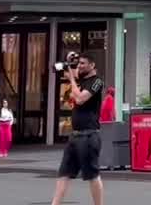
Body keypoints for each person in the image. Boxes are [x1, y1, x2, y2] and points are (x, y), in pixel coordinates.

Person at [49, 57, 107, 205]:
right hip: (74, 136)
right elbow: (60, 70)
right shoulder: (81, 79)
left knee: (92, 175)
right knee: (64, 173)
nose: (79, 66)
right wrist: (66, 65)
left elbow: (80, 98)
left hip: (89, 135)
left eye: (83, 64)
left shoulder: (97, 82)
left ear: (92, 65)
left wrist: (71, 78)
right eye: (78, 63)